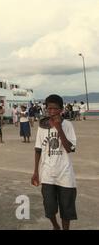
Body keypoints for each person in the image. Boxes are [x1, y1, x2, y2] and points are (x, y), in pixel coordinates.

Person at [31, 94, 77, 230]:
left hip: (65, 174)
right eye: (48, 108)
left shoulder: (67, 125)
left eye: (55, 109)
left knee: (66, 209)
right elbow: (38, 149)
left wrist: (59, 128)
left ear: (61, 109)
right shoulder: (42, 126)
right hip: (47, 174)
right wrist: (35, 172)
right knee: (49, 207)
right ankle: (56, 226)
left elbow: (69, 149)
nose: (51, 111)